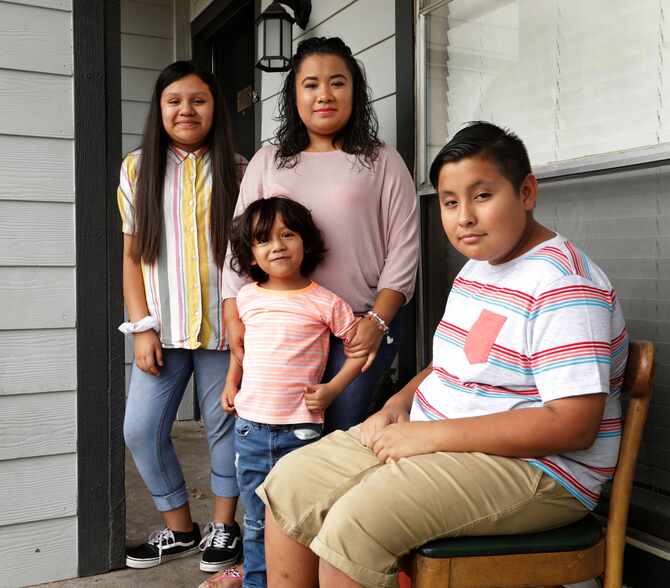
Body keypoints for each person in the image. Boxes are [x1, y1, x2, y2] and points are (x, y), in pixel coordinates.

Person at [257, 122, 628, 588]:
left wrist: (430, 438)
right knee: (291, 482)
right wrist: (399, 404)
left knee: (357, 523)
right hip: (442, 438)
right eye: (450, 202)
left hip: (540, 470)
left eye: (482, 196)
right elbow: (457, 363)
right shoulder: (480, 270)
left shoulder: (563, 285)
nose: (463, 217)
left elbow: (572, 424)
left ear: (527, 191)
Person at [221, 36, 420, 433]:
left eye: (337, 82)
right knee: (282, 431)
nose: (324, 94)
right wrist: (233, 314)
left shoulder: (382, 160)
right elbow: (240, 246)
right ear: (295, 94)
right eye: (311, 84)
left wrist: (378, 322)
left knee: (338, 429)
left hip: (359, 323)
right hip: (282, 327)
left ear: (355, 91)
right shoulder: (268, 162)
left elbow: (404, 247)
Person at [117, 61, 246, 573]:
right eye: (175, 100)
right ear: (160, 108)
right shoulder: (136, 168)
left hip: (223, 327)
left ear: (214, 109)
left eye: (198, 100)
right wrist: (141, 327)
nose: (186, 110)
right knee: (141, 429)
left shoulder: (239, 170)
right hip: (163, 331)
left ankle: (224, 528)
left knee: (225, 428)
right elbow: (132, 258)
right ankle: (181, 531)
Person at [217, 196, 368, 588]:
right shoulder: (248, 297)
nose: (278, 246)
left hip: (300, 432)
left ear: (306, 243)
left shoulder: (325, 301)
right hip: (250, 427)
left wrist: (333, 389)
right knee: (253, 522)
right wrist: (232, 380)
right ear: (251, 256)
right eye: (264, 240)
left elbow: (360, 352)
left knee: (299, 519)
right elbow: (242, 348)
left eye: (288, 235)